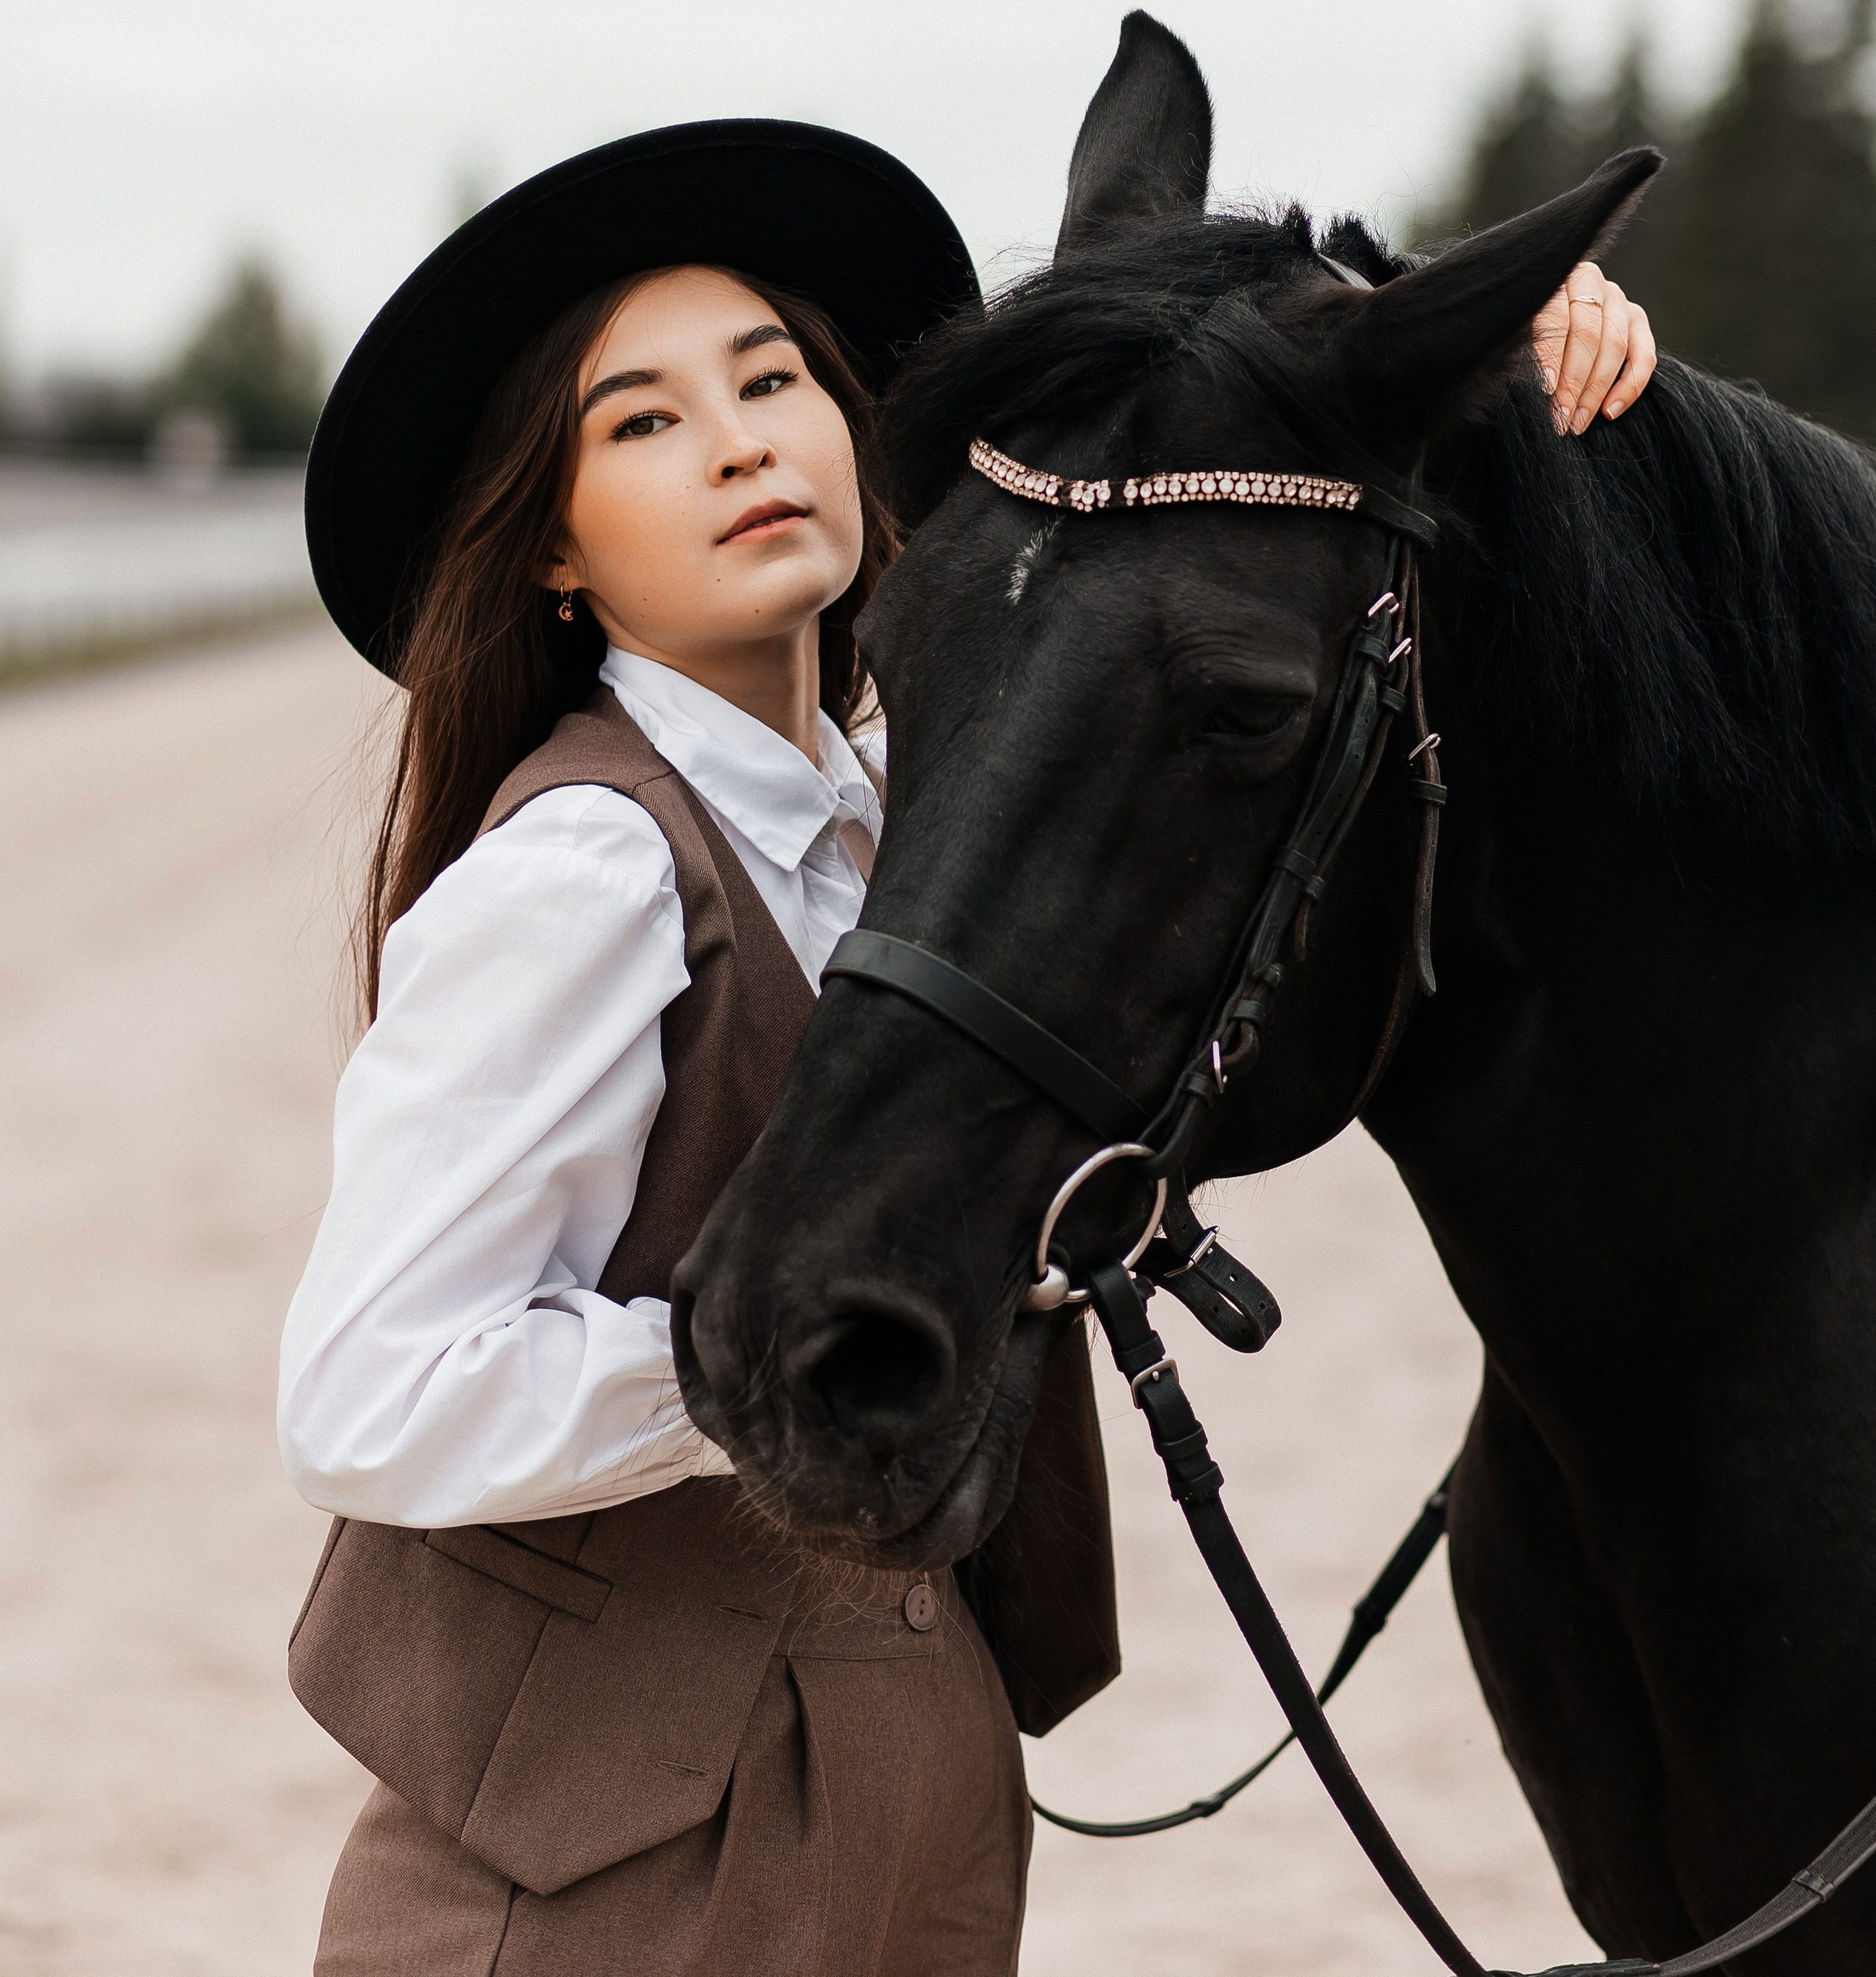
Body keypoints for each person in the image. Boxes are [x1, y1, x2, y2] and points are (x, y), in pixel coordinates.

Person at [278, 116, 1656, 1976]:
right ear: (550, 551)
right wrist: (780, 1368)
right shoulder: (593, 868)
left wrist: (1494, 327)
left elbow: (1184, 467)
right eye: (643, 422)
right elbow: (370, 1389)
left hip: (911, 1766)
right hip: (614, 1866)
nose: (741, 439)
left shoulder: (901, 810)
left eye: (772, 378)